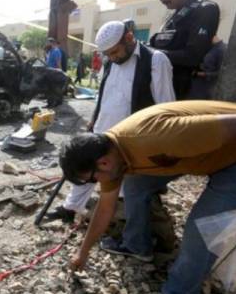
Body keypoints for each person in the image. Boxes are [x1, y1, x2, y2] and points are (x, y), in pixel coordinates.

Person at [60, 100, 236, 294]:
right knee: (135, 184)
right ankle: (137, 244)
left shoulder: (153, 137)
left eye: (92, 180)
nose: (96, 184)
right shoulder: (115, 153)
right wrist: (82, 252)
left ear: (103, 163)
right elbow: (106, 208)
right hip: (215, 153)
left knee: (200, 227)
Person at [46, 20, 175, 225]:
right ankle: (70, 208)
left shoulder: (155, 61)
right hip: (101, 129)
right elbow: (104, 94)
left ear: (129, 38)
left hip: (130, 137)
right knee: (85, 168)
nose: (113, 58)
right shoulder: (109, 61)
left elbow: (166, 105)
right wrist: (93, 119)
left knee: (121, 181)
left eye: (115, 52)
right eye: (108, 54)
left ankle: (119, 221)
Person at [148, 0, 220, 100]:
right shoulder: (173, 15)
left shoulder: (206, 9)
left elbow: (192, 56)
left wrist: (151, 53)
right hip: (162, 88)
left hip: (185, 93)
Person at [188, 35, 226, 99]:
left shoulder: (221, 50)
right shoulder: (210, 47)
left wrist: (203, 74)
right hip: (197, 84)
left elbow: (222, 72)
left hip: (206, 86)